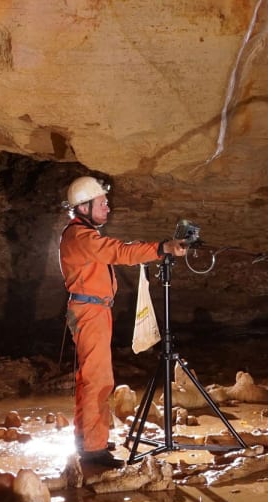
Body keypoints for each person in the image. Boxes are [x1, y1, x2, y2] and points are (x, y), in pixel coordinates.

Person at [60, 175, 189, 468]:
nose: (108, 208)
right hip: (91, 313)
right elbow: (119, 252)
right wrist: (162, 248)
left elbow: (117, 249)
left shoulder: (81, 235)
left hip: (92, 310)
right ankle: (93, 450)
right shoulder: (81, 236)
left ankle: (88, 438)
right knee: (98, 380)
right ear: (84, 207)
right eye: (102, 203)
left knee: (90, 379)